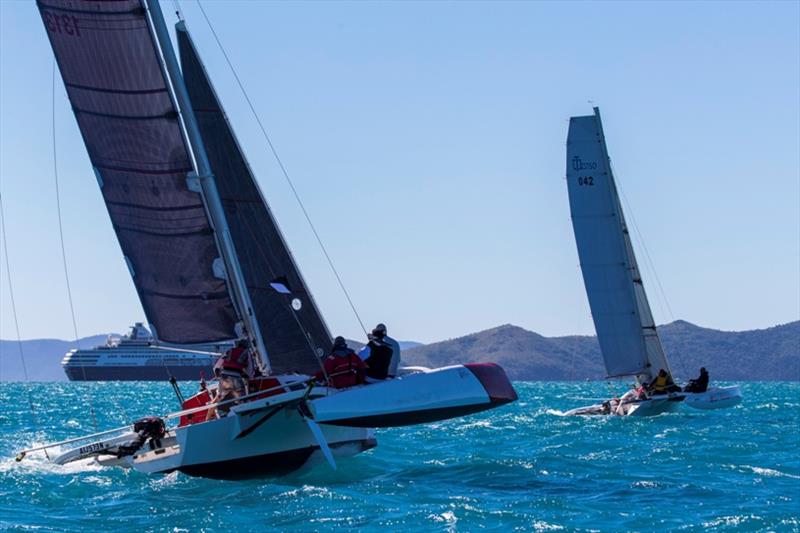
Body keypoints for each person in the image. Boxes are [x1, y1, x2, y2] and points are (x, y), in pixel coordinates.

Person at [205, 339, 254, 420]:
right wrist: (248, 377)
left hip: (224, 378)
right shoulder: (246, 353)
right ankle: (245, 419)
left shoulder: (229, 351)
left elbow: (216, 367)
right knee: (242, 400)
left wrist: (218, 376)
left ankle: (207, 419)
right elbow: (250, 371)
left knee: (218, 398)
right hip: (236, 378)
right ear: (246, 346)